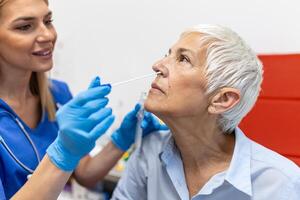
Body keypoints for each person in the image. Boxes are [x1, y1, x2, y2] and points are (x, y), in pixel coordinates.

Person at [0, 0, 167, 199]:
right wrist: (63, 151)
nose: (48, 35)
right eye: (25, 26)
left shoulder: (57, 95)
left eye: (48, 21)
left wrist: (122, 140)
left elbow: (84, 173)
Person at [111, 24, 300, 200]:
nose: (157, 65)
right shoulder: (149, 151)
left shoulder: (281, 184)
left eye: (183, 59)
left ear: (222, 99)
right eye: (167, 54)